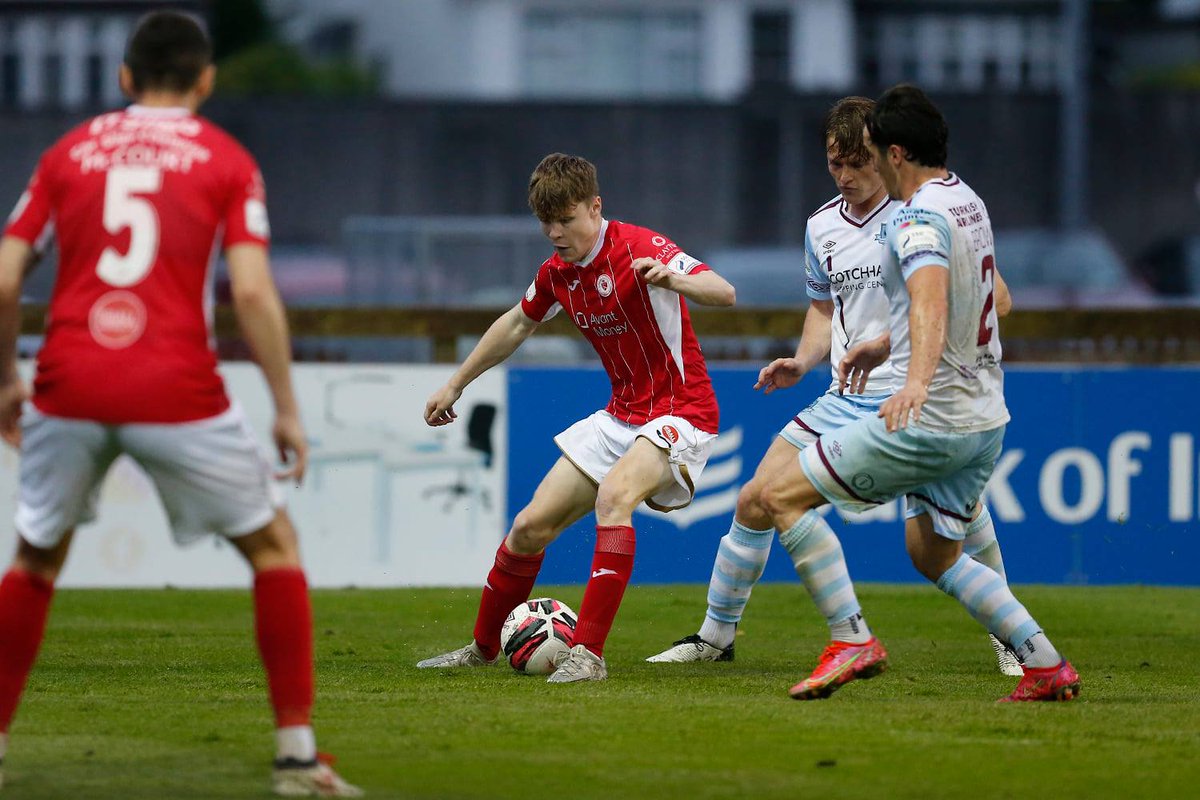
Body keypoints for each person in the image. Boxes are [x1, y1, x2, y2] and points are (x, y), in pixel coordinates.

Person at [0, 12, 360, 795]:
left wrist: (5, 381)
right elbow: (255, 290)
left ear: (124, 78)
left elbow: (4, 275)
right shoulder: (225, 159)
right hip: (176, 386)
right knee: (273, 548)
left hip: (68, 379)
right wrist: (286, 407)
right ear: (205, 80)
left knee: (33, 561)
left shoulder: (69, 153)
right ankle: (297, 757)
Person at [647, 97, 1023, 688]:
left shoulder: (922, 211)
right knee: (756, 497)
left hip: (915, 393)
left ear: (884, 155)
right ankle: (716, 637)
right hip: (846, 394)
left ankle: (1010, 643)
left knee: (961, 517)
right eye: (834, 165)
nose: (845, 177)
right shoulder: (821, 226)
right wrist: (802, 360)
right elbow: (824, 306)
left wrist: (890, 336)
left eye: (856, 164)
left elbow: (994, 297)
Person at [756, 84, 1079, 702]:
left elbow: (930, 296)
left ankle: (852, 640)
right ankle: (1044, 664)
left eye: (873, 152)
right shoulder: (967, 202)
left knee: (779, 496)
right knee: (933, 554)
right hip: (986, 418)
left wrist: (914, 381)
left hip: (931, 418)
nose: (867, 164)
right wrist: (887, 342)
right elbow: (987, 297)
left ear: (895, 154)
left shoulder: (913, 218)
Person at [417, 153, 735, 683]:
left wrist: (674, 279)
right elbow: (517, 324)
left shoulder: (640, 247)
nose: (555, 232)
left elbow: (723, 292)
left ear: (595, 206)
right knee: (527, 528)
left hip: (683, 410)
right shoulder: (558, 272)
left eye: (565, 218)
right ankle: (481, 648)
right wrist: (455, 383)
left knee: (614, 498)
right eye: (546, 222)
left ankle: (588, 655)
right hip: (622, 417)